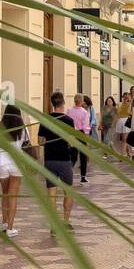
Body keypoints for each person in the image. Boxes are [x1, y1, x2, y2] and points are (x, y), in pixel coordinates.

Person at [0, 102, 30, 238]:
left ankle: (4, 223)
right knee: (13, 196)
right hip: (16, 165)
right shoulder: (22, 129)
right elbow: (26, 145)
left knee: (5, 194)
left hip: (2, 165)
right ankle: (10, 228)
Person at [39, 92, 76, 229]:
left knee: (51, 193)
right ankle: (66, 221)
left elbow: (40, 141)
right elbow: (71, 143)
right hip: (65, 160)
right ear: (63, 102)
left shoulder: (44, 119)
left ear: (52, 104)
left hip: (50, 160)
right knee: (68, 191)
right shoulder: (69, 121)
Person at [70, 93, 92, 184]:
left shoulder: (69, 110)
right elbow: (86, 127)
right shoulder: (84, 112)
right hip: (81, 133)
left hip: (71, 133)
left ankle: (69, 171)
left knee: (72, 155)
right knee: (83, 156)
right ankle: (83, 177)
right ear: (82, 101)